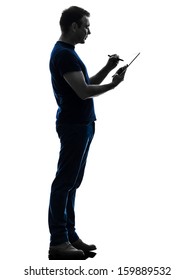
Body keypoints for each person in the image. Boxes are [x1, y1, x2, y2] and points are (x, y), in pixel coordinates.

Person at [48, 6, 128, 260]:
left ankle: (70, 236)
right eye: (85, 26)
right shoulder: (64, 55)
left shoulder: (68, 53)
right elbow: (83, 92)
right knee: (64, 183)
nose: (89, 32)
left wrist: (107, 68)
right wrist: (113, 86)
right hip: (74, 125)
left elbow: (83, 84)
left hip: (82, 124)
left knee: (72, 183)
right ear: (74, 26)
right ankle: (59, 242)